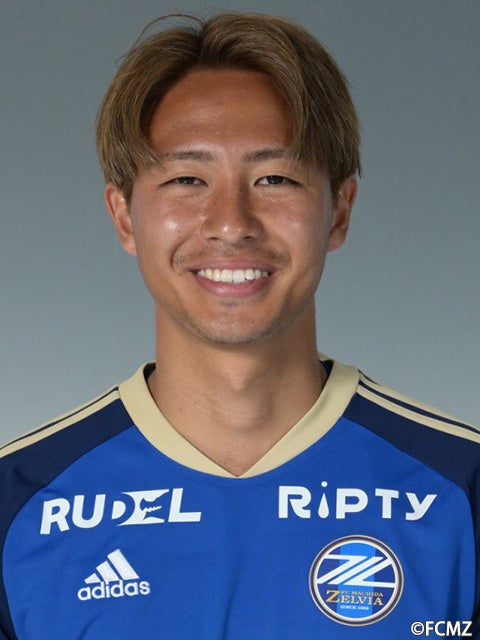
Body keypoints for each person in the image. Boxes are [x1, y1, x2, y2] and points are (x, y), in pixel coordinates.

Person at [0, 12, 478, 640]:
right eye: (186, 179)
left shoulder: (460, 490)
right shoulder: (18, 501)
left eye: (274, 178)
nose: (231, 222)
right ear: (124, 217)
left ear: (339, 212)